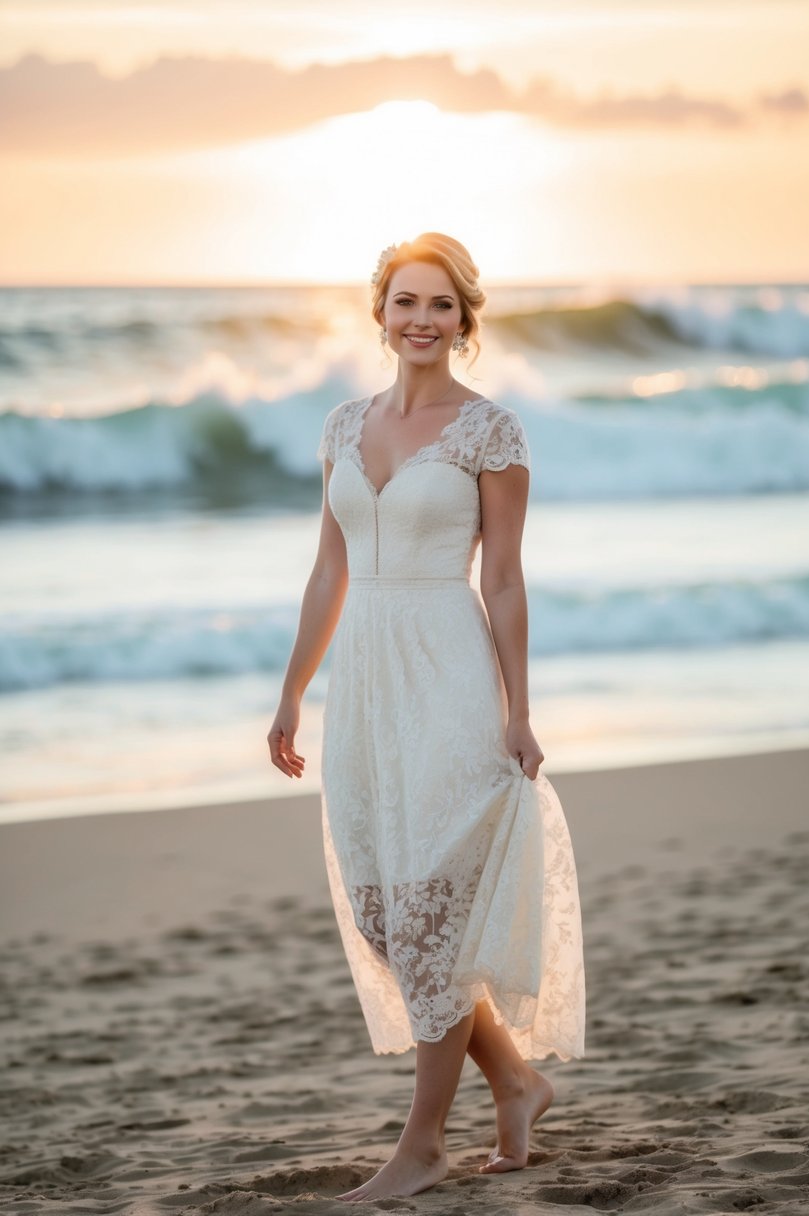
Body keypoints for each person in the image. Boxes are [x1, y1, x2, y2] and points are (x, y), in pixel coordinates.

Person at [267, 232, 585, 1203]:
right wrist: (289, 691)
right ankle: (517, 1082)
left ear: (464, 320)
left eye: (439, 305)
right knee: (382, 914)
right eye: (404, 301)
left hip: (447, 669)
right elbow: (328, 570)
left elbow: (504, 578)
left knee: (429, 914)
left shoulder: (490, 432)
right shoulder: (341, 426)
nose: (420, 320)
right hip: (362, 681)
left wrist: (518, 711)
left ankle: (421, 1142)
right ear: (379, 313)